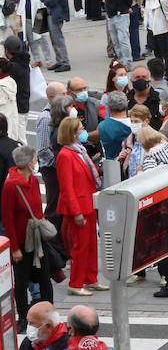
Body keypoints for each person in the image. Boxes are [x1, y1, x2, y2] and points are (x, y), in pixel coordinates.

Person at [55, 116, 104, 295]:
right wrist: (76, 212)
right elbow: (67, 188)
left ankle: (90, 278)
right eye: (81, 128)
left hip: (88, 203)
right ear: (73, 133)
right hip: (78, 208)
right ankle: (75, 283)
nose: (84, 130)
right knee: (80, 247)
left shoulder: (79, 150)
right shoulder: (65, 155)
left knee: (91, 244)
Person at [3, 146, 51, 314]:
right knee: (22, 281)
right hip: (22, 241)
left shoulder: (34, 181)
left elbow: (38, 210)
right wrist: (14, 248)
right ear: (30, 163)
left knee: (45, 278)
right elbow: (7, 219)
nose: (36, 162)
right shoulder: (11, 186)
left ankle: (49, 313)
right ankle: (23, 316)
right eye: (35, 159)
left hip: (37, 238)